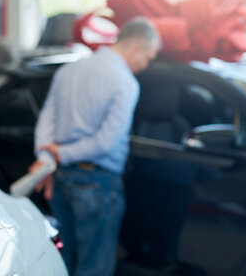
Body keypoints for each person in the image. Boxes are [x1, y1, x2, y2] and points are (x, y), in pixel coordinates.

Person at [29, 17, 161, 276]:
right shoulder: (125, 82)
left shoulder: (70, 70)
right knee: (95, 265)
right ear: (137, 48)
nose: (145, 65)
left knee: (60, 261)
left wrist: (47, 159)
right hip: (97, 183)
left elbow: (47, 121)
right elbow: (107, 142)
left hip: (60, 177)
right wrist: (61, 154)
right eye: (149, 57)